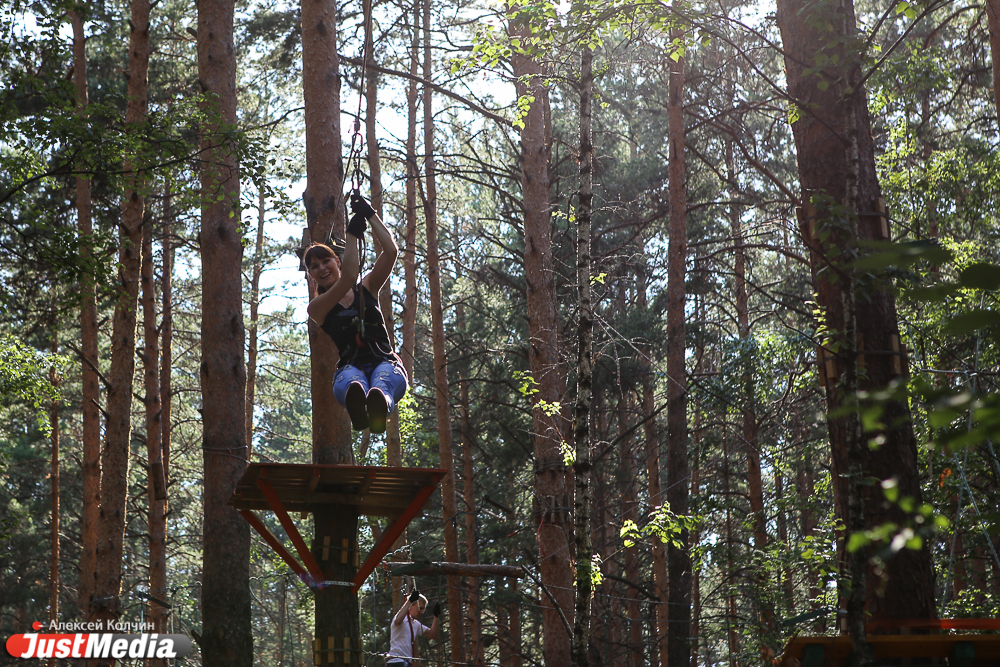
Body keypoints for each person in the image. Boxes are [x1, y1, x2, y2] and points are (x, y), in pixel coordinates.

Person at [304, 191, 408, 434]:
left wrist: (370, 214)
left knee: (381, 383)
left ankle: (378, 406)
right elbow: (350, 276)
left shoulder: (368, 288)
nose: (321, 269)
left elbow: (391, 251)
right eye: (314, 267)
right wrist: (352, 233)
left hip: (386, 362)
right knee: (353, 383)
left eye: (325, 261)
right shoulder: (318, 308)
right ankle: (359, 408)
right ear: (311, 276)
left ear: (337, 262)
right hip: (350, 368)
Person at [387, 589, 440, 667]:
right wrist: (410, 600)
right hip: (397, 662)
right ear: (411, 606)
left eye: (423, 610)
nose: (422, 612)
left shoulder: (415, 624)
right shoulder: (402, 619)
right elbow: (398, 620)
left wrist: (436, 616)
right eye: (420, 608)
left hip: (405, 663)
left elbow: (433, 635)